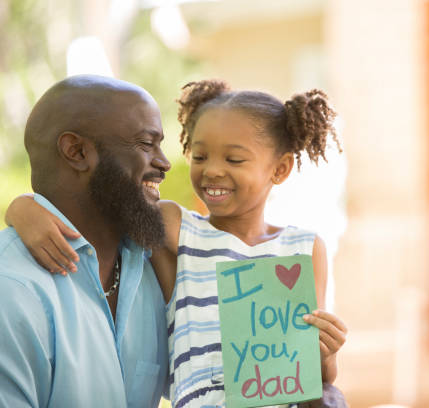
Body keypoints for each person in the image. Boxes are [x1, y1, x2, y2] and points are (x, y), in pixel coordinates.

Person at [7, 79, 348, 408]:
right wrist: (22, 208)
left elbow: (315, 374)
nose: (211, 171)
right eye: (199, 157)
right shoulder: (176, 230)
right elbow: (106, 204)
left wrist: (326, 352)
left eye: (234, 159)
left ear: (281, 169)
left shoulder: (304, 248)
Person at [0, 74, 171, 407]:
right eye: (146, 144)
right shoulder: (12, 289)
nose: (164, 162)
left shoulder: (157, 264)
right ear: (76, 152)